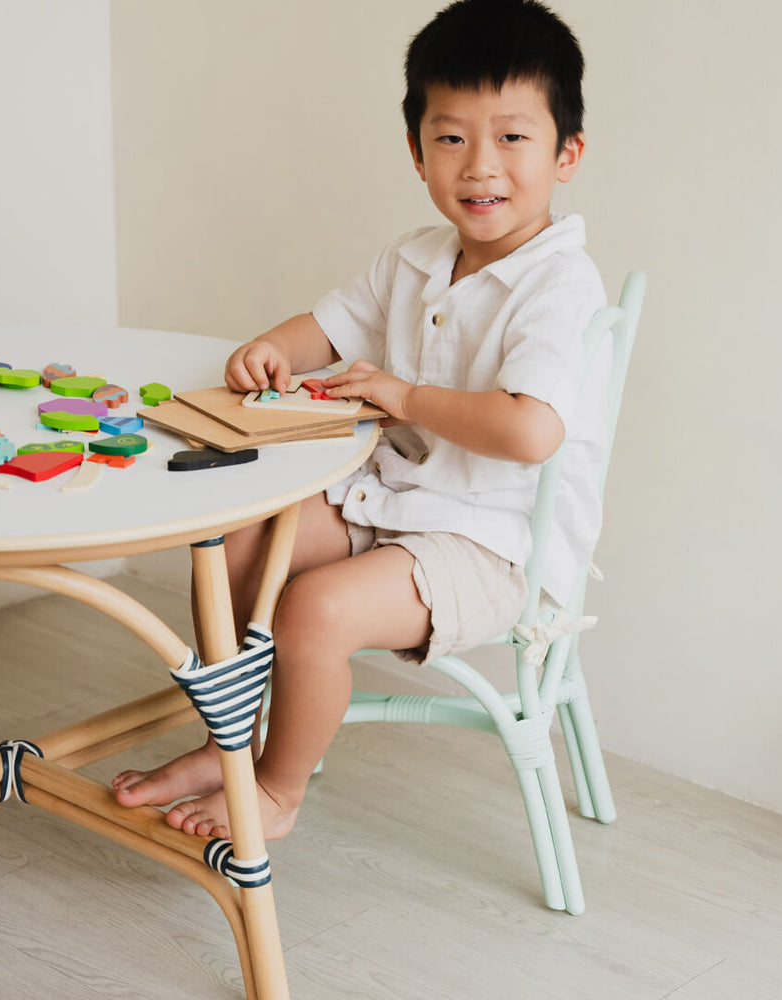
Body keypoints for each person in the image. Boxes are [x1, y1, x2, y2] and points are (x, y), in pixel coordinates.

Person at [113, 0, 607, 841]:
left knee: (312, 611)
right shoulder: (415, 256)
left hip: (491, 544)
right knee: (236, 546)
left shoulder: (556, 287)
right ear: (417, 153)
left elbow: (530, 431)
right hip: (389, 503)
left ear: (567, 154)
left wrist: (402, 397)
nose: (481, 165)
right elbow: (333, 326)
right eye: (451, 138)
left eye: (513, 138)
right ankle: (229, 744)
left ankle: (277, 790)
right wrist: (270, 347)